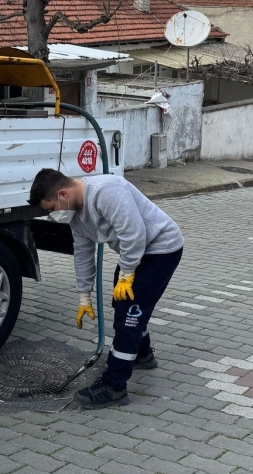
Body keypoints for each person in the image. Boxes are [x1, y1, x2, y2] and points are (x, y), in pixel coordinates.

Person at [29, 168, 184, 409]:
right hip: (136, 253)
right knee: (122, 304)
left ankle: (115, 387)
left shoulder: (106, 191)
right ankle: (142, 355)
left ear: (62, 194)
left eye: (51, 209)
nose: (52, 216)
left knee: (130, 316)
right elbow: (82, 253)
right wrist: (84, 295)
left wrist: (126, 273)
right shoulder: (75, 215)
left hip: (161, 249)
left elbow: (134, 233)